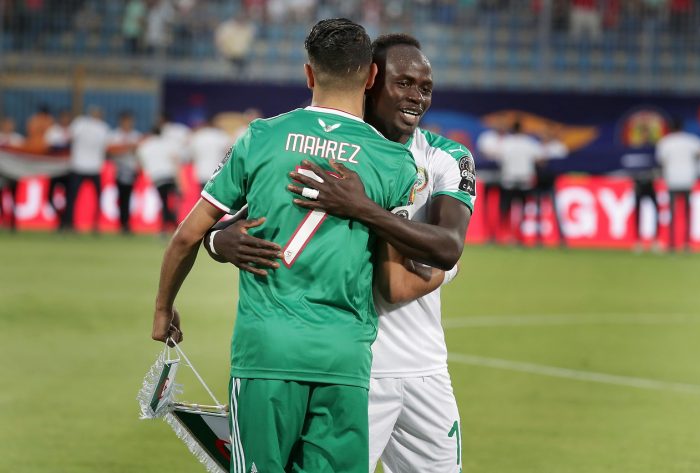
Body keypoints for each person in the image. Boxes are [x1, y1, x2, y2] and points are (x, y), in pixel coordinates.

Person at [150, 19, 417, 473]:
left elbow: (187, 235)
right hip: (344, 355)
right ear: (371, 77)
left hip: (266, 352)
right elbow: (392, 280)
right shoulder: (395, 161)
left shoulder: (261, 137)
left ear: (309, 74)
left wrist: (163, 308)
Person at [205, 33, 474, 472]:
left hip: (425, 366)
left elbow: (449, 247)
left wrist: (362, 209)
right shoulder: (325, 147)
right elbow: (232, 221)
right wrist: (218, 240)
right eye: (403, 83)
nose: (416, 97)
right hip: (351, 369)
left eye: (425, 87)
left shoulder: (447, 157)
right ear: (370, 80)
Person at [655, 118, 700, 251]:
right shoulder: (690, 140)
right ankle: (686, 243)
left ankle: (672, 243)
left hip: (672, 180)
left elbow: (661, 160)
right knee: (687, 213)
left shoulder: (665, 142)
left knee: (672, 212)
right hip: (688, 179)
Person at [62, 106, 110, 232]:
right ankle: (71, 224)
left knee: (77, 198)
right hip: (84, 166)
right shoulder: (86, 124)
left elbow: (68, 139)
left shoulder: (84, 124)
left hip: (87, 167)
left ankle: (92, 224)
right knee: (75, 198)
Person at [497, 119, 543, 245]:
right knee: (522, 210)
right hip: (525, 180)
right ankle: (520, 236)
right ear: (522, 130)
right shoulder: (530, 143)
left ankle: (504, 236)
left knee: (505, 209)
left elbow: (497, 157)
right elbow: (540, 158)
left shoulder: (506, 142)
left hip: (509, 179)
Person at [136, 126, 180, 234]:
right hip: (169, 175)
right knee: (170, 203)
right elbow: (175, 159)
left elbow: (140, 160)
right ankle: (173, 225)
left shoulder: (145, 145)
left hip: (157, 177)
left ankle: (165, 227)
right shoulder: (167, 144)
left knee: (164, 202)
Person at [108, 111, 142, 234]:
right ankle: (122, 222)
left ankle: (126, 223)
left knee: (128, 198)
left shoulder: (136, 135)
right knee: (121, 197)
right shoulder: (115, 135)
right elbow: (110, 151)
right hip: (119, 171)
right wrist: (127, 147)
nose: (128, 124)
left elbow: (140, 154)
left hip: (132, 171)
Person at [534, 125, 568, 246]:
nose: (544, 136)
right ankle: (538, 238)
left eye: (546, 134)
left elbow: (562, 161)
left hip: (552, 183)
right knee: (538, 212)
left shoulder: (557, 147)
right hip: (539, 183)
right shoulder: (537, 147)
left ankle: (562, 238)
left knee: (557, 210)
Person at [44, 109, 73, 226]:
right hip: (54, 170)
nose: (65, 120)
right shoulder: (53, 131)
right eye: (63, 117)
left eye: (67, 117)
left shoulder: (73, 131)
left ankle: (67, 221)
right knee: (49, 197)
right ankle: (60, 218)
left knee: (69, 197)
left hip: (68, 169)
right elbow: (49, 147)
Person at [188, 115, 231, 189]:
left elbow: (190, 156)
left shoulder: (197, 136)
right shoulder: (220, 135)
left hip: (202, 173)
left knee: (204, 198)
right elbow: (229, 152)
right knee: (217, 199)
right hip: (218, 173)